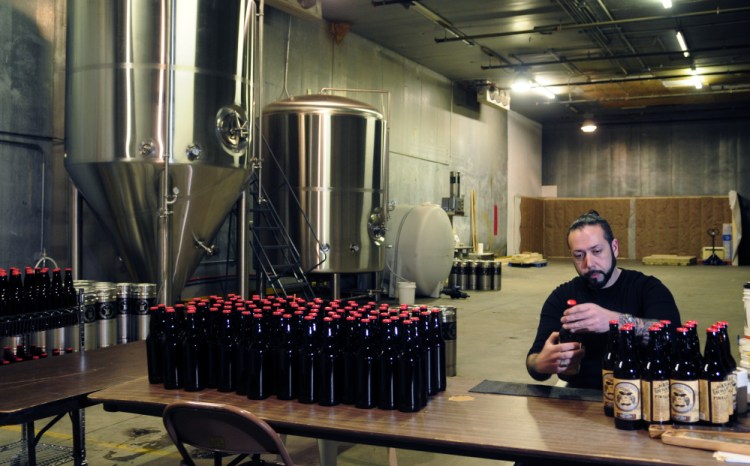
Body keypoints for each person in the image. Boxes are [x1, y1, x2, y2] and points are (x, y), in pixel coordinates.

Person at [526, 210, 681, 389]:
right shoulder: (562, 296)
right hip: (583, 398)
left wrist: (615, 321)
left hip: (643, 394)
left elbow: (674, 340)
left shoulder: (648, 288)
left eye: (597, 251)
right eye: (579, 255)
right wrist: (540, 364)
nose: (589, 263)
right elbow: (534, 360)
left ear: (614, 248)